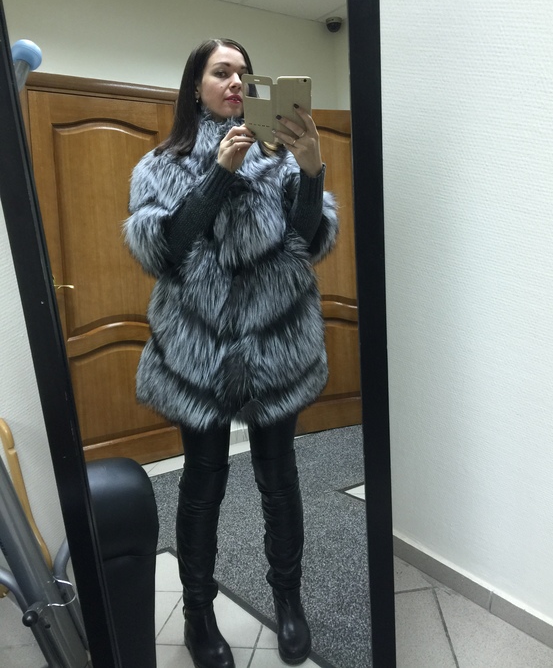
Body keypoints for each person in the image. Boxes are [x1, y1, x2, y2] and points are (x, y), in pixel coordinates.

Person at [124, 38, 338, 668]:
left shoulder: (280, 159)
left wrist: (312, 170)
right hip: (199, 351)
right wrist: (218, 174)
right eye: (222, 72)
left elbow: (309, 241)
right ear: (196, 85)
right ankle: (198, 616)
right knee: (203, 482)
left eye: (245, 73)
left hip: (278, 343)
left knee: (280, 478)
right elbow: (164, 251)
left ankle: (289, 603)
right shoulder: (160, 166)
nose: (236, 83)